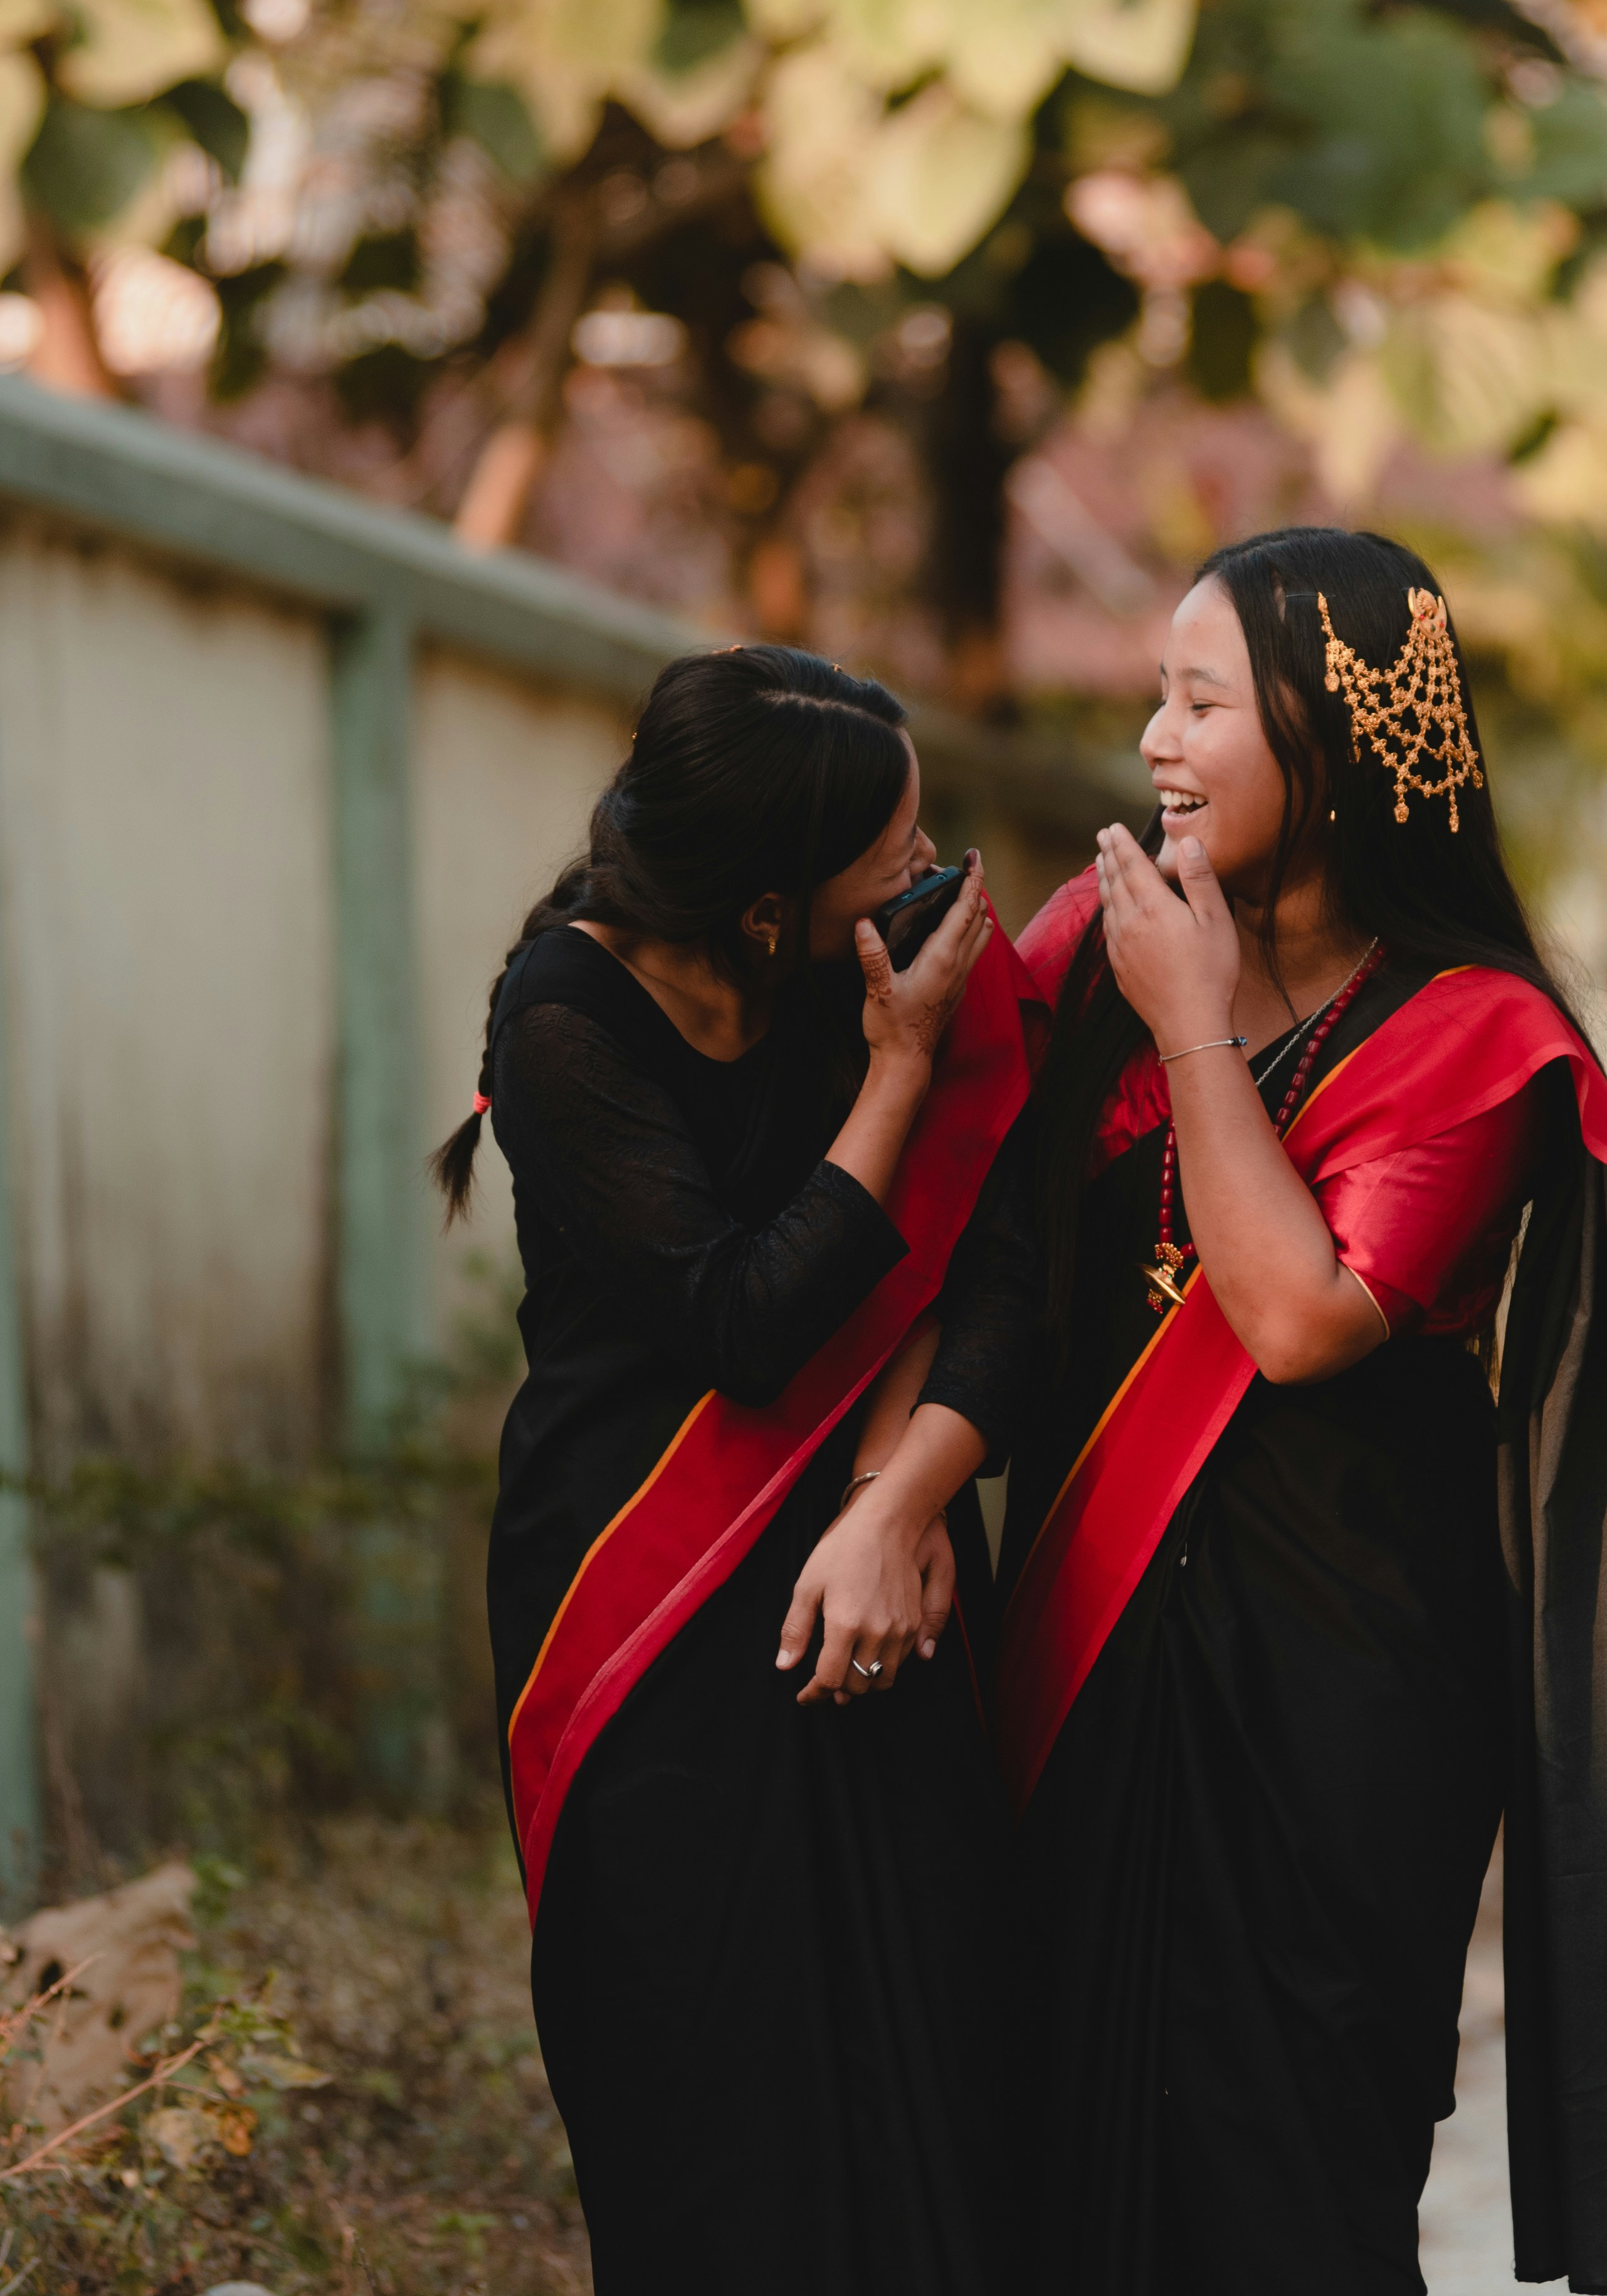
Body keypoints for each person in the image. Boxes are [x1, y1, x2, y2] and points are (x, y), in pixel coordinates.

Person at [856, 529, 1607, 2296]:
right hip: (1088, 1633)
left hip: (1348, 1679)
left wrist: (1191, 1032)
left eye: (1202, 701)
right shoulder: (1105, 939)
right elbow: (965, 1235)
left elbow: (1298, 1317)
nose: (1155, 737)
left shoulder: (1476, 1034)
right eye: (1158, 693)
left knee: (1296, 2150)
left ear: (1331, 742)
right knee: (1065, 2139)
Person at [429, 644, 1031, 2296]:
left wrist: (897, 1499)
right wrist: (899, 1070)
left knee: (936, 2067)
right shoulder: (564, 1015)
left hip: (880, 1573)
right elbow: (743, 1323)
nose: (930, 884)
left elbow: (991, 1254)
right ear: (769, 909)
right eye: (892, 862)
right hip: (646, 1599)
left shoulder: (872, 959)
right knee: (707, 2098)